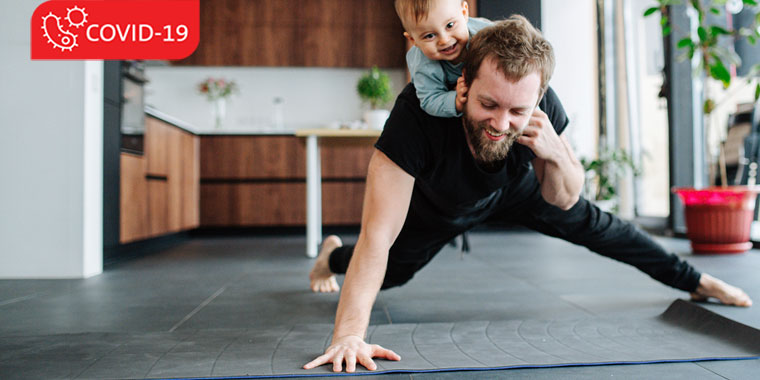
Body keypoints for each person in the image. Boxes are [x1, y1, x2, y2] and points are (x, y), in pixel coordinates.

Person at [304, 16, 753, 373]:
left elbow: (565, 199)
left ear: (537, 99)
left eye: (518, 110)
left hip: (516, 189)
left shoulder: (544, 111)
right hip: (440, 204)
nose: (501, 123)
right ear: (462, 86)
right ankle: (330, 257)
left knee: (601, 226)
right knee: (393, 273)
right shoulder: (415, 117)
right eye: (488, 105)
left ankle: (695, 281)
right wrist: (347, 334)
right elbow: (377, 236)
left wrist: (556, 152)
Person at [396, 0, 490, 118]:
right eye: (429, 36)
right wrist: (455, 100)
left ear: (464, 12)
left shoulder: (487, 34)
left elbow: (514, 40)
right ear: (413, 40)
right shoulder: (423, 64)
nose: (444, 40)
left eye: (450, 25)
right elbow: (430, 99)